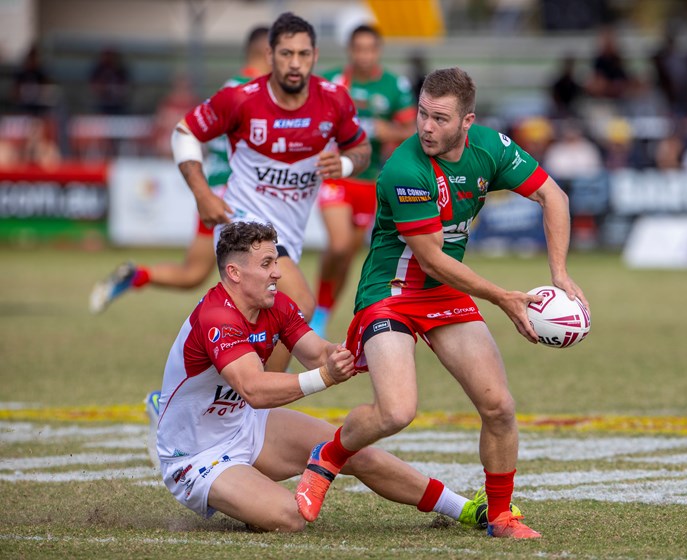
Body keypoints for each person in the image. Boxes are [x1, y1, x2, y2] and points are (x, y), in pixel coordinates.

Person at [294, 67, 587, 539]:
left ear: (467, 121)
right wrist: (502, 298)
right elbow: (431, 259)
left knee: (499, 407)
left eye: (440, 118)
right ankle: (327, 457)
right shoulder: (405, 169)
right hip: (390, 293)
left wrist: (559, 273)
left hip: (443, 293)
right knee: (396, 412)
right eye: (422, 114)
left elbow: (554, 197)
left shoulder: (491, 148)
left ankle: (500, 516)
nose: (426, 127)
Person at [155, 220, 507, 531]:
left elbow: (317, 353)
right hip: (196, 454)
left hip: (243, 425)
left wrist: (355, 350)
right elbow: (254, 390)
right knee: (289, 517)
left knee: (354, 451)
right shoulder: (217, 316)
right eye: (266, 264)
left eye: (276, 261)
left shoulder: (275, 305)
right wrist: (326, 376)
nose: (277, 273)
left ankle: (466, 509)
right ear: (234, 273)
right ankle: (244, 489)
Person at [169, 12, 371, 374]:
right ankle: (258, 395)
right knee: (299, 305)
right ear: (270, 55)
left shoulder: (334, 100)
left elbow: (361, 148)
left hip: (287, 233)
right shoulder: (240, 99)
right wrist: (202, 194)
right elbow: (184, 132)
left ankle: (222, 393)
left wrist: (343, 165)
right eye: (286, 53)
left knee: (260, 319)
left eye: (303, 54)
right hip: (242, 220)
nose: (295, 63)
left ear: (315, 56)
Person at [89, 26, 271, 314]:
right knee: (265, 277)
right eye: (285, 53)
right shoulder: (255, 92)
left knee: (193, 273)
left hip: (215, 190)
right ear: (268, 52)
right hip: (239, 194)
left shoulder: (230, 87)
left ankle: (137, 275)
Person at [310, 24, 416, 337]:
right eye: (359, 49)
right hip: (337, 176)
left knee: (346, 255)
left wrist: (386, 131)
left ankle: (323, 311)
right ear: (350, 50)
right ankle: (316, 311)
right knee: (339, 244)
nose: (364, 56)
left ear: (378, 51)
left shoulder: (394, 85)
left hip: (371, 182)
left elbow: (411, 130)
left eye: (370, 49)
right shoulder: (332, 81)